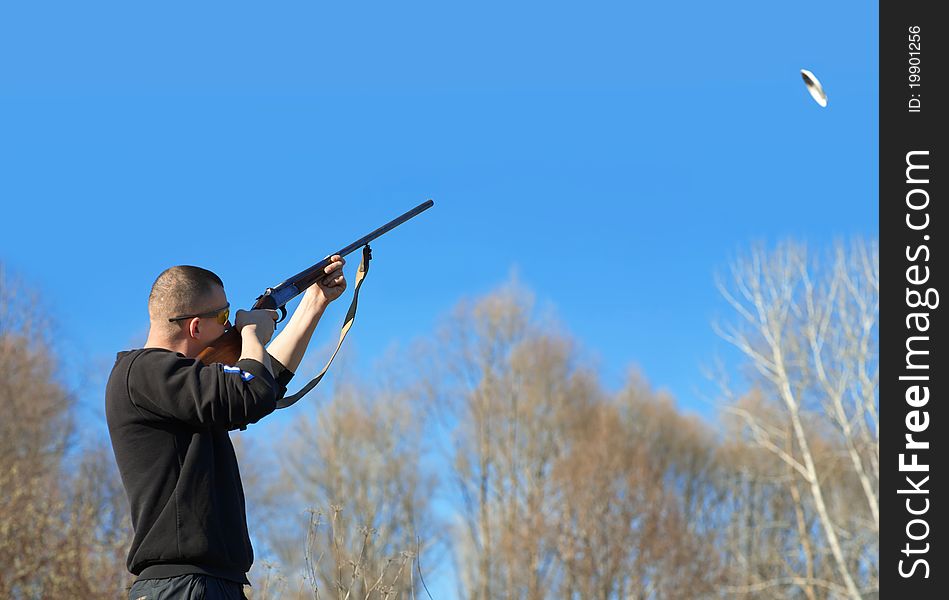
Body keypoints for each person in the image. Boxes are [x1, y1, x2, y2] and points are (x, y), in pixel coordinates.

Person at [106, 256, 347, 600]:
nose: (229, 324)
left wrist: (314, 304)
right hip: (183, 585)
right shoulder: (144, 372)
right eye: (222, 317)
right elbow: (249, 391)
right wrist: (251, 334)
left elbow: (262, 384)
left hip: (207, 583)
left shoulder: (178, 382)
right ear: (194, 327)